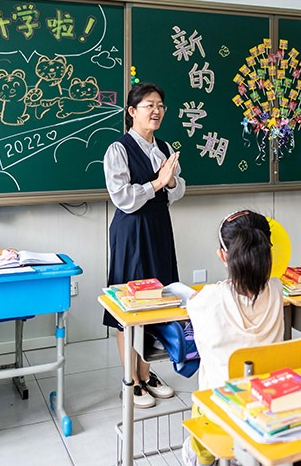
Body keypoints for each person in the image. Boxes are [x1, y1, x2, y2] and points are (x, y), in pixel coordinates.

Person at [181, 210, 285, 466]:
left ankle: (201, 456)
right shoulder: (277, 290)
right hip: (267, 408)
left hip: (218, 414)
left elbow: (192, 305)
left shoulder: (209, 298)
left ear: (223, 255)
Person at [103, 82, 184, 409]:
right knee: (131, 302)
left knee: (159, 299)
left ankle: (147, 374)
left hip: (159, 227)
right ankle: (130, 380)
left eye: (160, 105)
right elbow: (122, 197)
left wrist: (171, 181)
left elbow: (178, 190)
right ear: (132, 111)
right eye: (149, 105)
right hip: (132, 230)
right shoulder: (118, 150)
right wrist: (157, 183)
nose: (156, 111)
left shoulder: (164, 147)